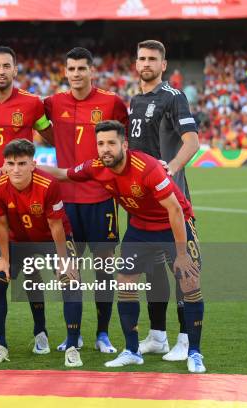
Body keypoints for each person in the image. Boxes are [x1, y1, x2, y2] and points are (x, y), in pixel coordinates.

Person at [46, 120, 205, 374]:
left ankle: (195, 352)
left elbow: (175, 210)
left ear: (124, 145)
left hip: (174, 223)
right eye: (100, 144)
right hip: (140, 228)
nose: (105, 149)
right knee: (125, 282)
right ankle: (132, 351)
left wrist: (182, 255)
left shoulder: (147, 167)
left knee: (189, 280)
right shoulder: (97, 167)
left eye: (111, 143)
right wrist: (33, 169)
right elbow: (65, 174)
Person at [43, 47, 128, 354]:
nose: (76, 73)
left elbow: (125, 143)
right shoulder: (53, 103)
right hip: (65, 201)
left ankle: (102, 333)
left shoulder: (112, 102)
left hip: (102, 199)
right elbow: (25, 110)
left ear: (92, 71)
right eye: (71, 68)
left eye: (82, 68)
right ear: (65, 72)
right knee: (68, 270)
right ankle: (72, 335)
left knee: (105, 269)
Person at [0, 46, 53, 354]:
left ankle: (40, 330)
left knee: (30, 267)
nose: (1, 70)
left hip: (22, 198)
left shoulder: (33, 103)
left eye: (7, 66)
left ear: (16, 70)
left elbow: (50, 133)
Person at [129, 40, 200, 361]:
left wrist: (171, 168)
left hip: (171, 200)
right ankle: (158, 336)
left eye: (152, 59)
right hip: (143, 206)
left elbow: (192, 141)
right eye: (141, 58)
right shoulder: (135, 100)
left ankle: (185, 340)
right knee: (152, 271)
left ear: (163, 64)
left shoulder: (173, 97)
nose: (146, 63)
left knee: (182, 268)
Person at [0, 139, 83, 367]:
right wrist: (5, 260)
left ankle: (71, 346)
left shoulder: (48, 184)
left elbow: (55, 226)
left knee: (70, 281)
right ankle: (4, 344)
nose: (16, 169)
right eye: (11, 164)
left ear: (33, 164)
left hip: (52, 239)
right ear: (5, 165)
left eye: (22, 163)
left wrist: (63, 261)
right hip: (19, 239)